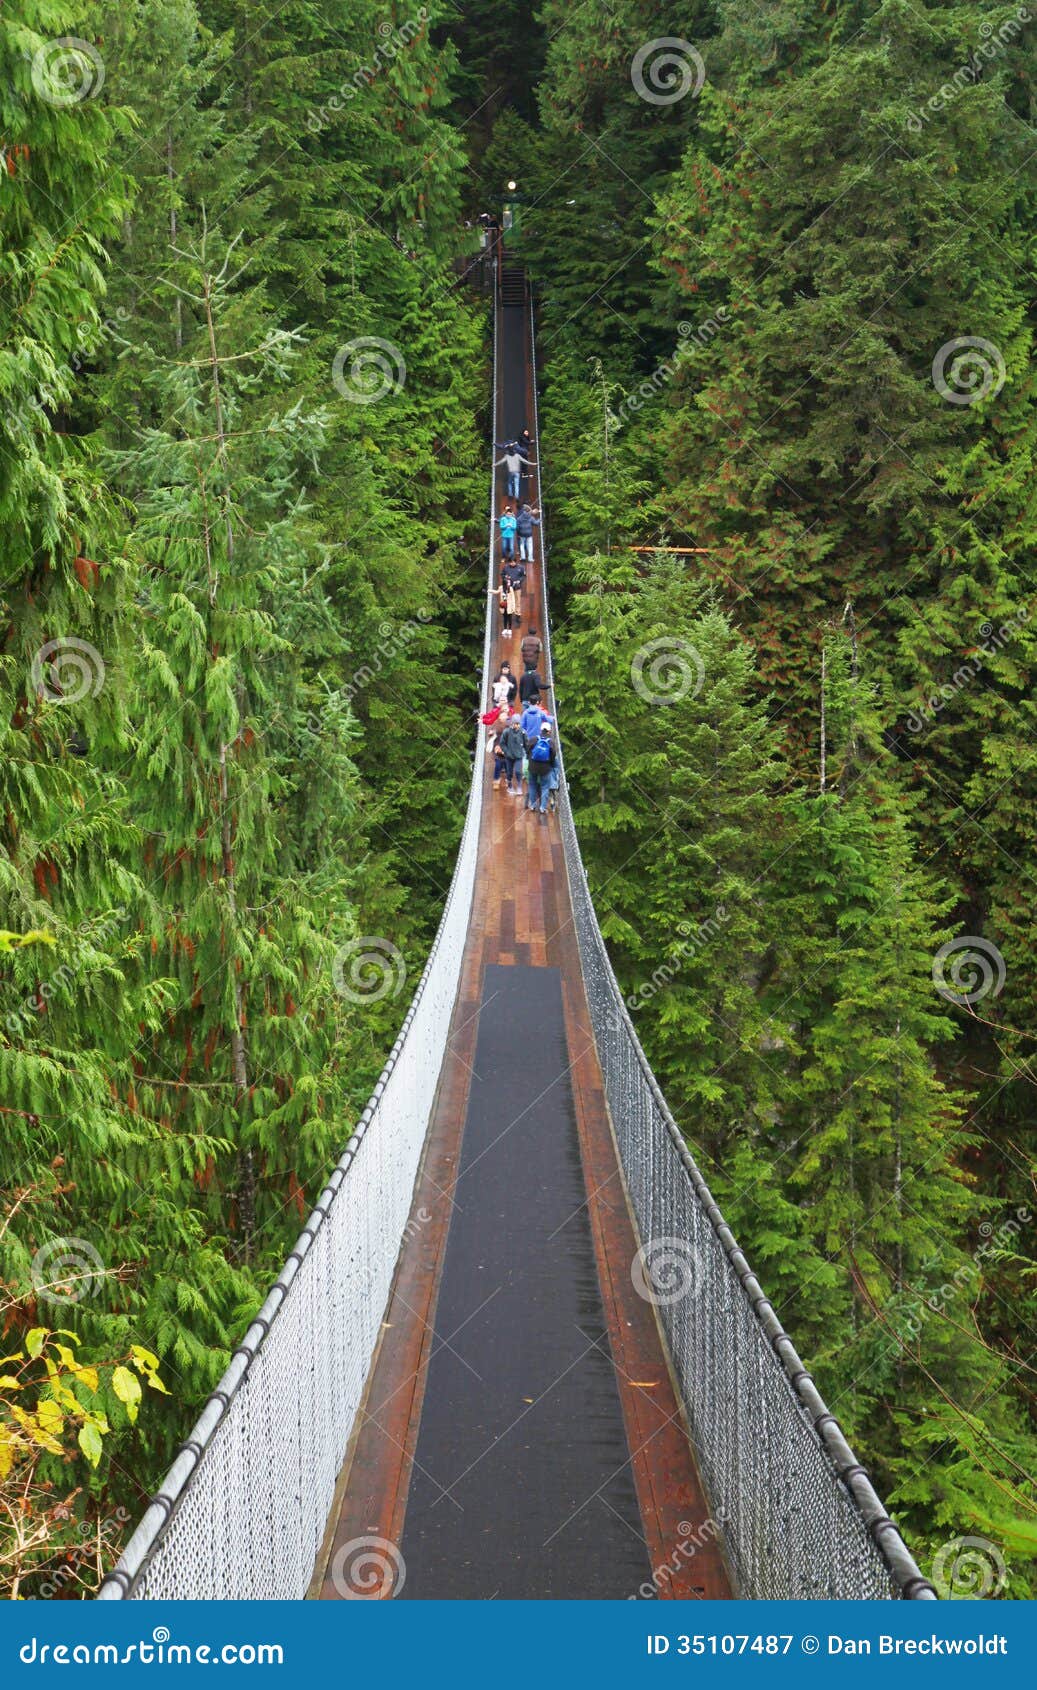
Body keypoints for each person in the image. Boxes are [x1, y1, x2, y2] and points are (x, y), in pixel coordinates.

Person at [525, 722, 556, 817]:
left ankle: (533, 805)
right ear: (549, 731)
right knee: (545, 787)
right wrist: (549, 764)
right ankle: (542, 808)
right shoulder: (551, 742)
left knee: (532, 785)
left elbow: (527, 750)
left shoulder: (533, 739)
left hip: (533, 766)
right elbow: (553, 755)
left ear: (540, 730)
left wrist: (530, 758)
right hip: (545, 768)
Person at [499, 713, 526, 797]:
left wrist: (527, 751)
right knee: (509, 772)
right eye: (516, 724)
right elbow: (502, 743)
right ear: (512, 723)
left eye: (518, 724)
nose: (517, 726)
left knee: (518, 771)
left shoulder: (523, 732)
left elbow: (526, 743)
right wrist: (506, 752)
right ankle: (509, 784)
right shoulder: (506, 732)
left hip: (518, 756)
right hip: (509, 756)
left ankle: (519, 786)